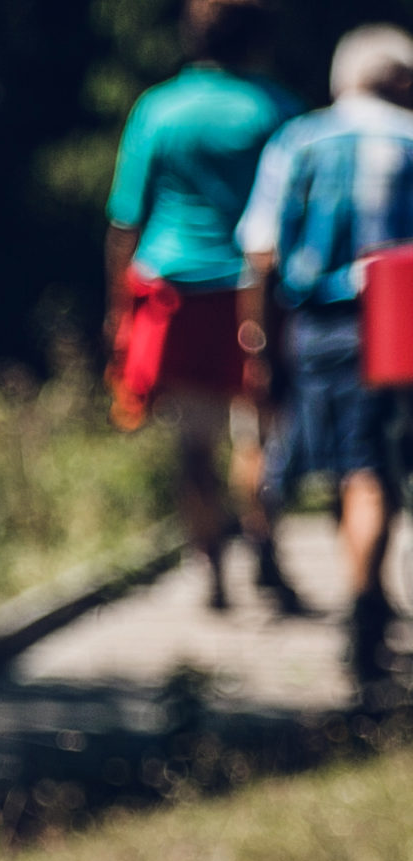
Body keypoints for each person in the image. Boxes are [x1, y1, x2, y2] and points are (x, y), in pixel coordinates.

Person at [105, 0, 301, 611]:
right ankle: (263, 537)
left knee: (192, 442)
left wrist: (117, 307)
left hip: (173, 293)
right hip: (256, 293)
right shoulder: (279, 111)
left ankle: (210, 566)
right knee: (259, 430)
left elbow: (124, 221)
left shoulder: (157, 109)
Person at [238, 24, 413, 691]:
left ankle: (362, 607)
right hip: (403, 319)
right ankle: (368, 605)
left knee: (356, 466)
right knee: (374, 467)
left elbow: (260, 250)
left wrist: (259, 340)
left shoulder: (300, 140)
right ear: (399, 80)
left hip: (326, 326)